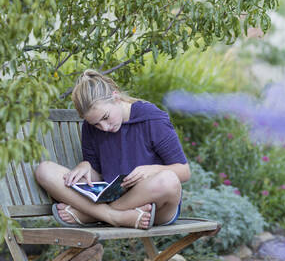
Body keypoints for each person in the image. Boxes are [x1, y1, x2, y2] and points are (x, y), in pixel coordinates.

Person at [35, 69, 190, 229]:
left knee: (168, 181)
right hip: (124, 203)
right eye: (96, 124)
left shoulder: (152, 118)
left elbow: (184, 171)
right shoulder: (91, 126)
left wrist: (153, 169)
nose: (104, 127)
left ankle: (90, 215)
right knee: (44, 171)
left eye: (105, 117)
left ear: (116, 98)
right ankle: (114, 217)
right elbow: (99, 176)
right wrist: (86, 166)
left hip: (154, 206)